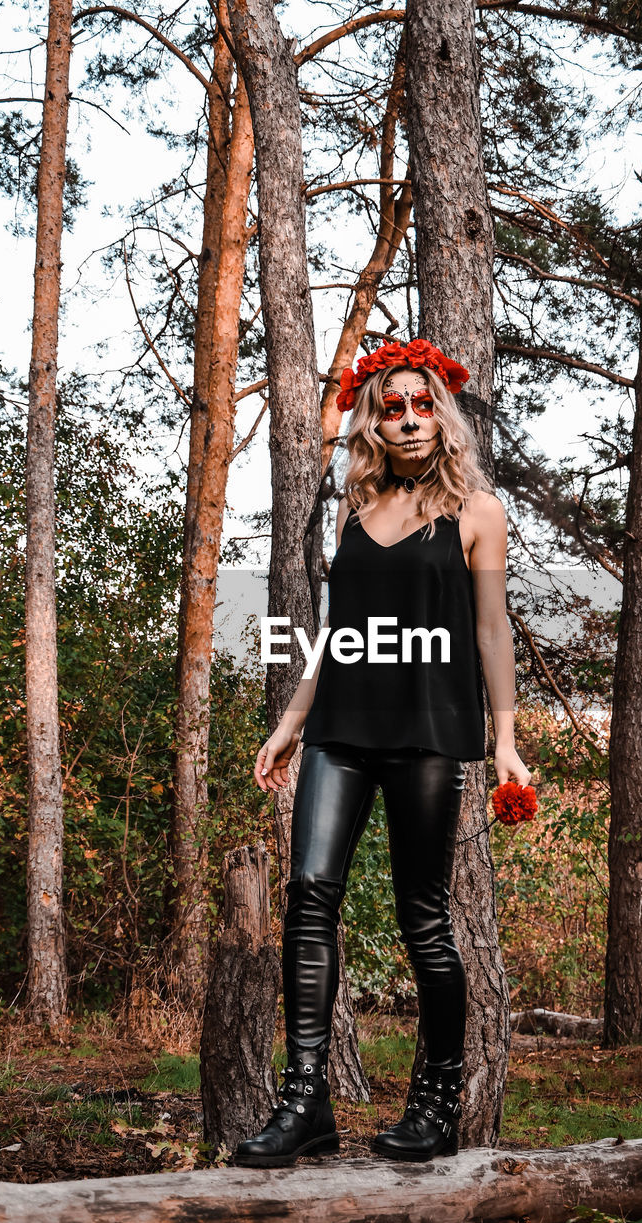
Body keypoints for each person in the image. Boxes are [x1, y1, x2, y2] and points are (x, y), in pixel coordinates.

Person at [234, 338, 532, 1168]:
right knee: (309, 896)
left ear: (442, 414)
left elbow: (489, 628)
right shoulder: (352, 510)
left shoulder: (476, 510)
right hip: (342, 724)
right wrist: (291, 720)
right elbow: (339, 634)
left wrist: (504, 741)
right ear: (373, 419)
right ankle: (304, 1102)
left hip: (430, 727)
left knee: (423, 917)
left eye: (421, 403)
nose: (406, 419)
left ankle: (436, 1101)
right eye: (391, 406)